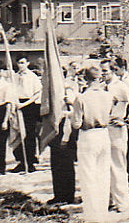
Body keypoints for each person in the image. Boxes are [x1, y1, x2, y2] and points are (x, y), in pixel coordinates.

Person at [71, 66, 113, 222]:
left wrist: (70, 113)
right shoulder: (108, 96)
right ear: (99, 78)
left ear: (85, 79)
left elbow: (76, 123)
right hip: (103, 134)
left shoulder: (81, 98)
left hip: (88, 135)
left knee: (88, 175)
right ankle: (102, 213)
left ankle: (92, 216)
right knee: (103, 174)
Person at [101, 58, 129, 213]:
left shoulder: (121, 86)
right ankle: (109, 200)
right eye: (101, 71)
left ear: (114, 70)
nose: (102, 74)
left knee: (118, 166)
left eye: (105, 71)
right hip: (103, 130)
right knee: (104, 166)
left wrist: (126, 121)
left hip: (116, 131)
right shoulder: (103, 87)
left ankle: (122, 201)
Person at [47, 66, 79, 205]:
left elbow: (73, 110)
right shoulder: (52, 92)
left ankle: (68, 195)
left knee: (66, 164)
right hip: (55, 127)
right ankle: (58, 194)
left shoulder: (68, 90)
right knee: (56, 163)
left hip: (66, 129)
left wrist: (66, 109)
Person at [10, 55, 42, 173]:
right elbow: (12, 91)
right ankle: (21, 162)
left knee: (29, 134)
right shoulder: (15, 76)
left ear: (28, 63)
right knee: (18, 133)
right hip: (18, 104)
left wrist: (24, 105)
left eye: (23, 62)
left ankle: (31, 162)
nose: (21, 65)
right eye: (19, 63)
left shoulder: (32, 77)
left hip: (29, 105)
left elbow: (37, 94)